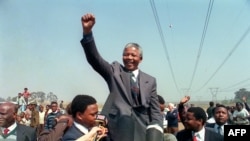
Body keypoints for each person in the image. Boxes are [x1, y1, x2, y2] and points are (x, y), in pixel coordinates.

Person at [80, 13, 163, 141]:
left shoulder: (150, 80)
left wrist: (156, 130)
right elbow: (94, 59)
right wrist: (87, 32)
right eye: (126, 55)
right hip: (117, 130)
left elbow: (155, 111)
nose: (129, 58)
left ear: (140, 59)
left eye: (133, 55)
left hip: (142, 131)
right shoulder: (114, 71)